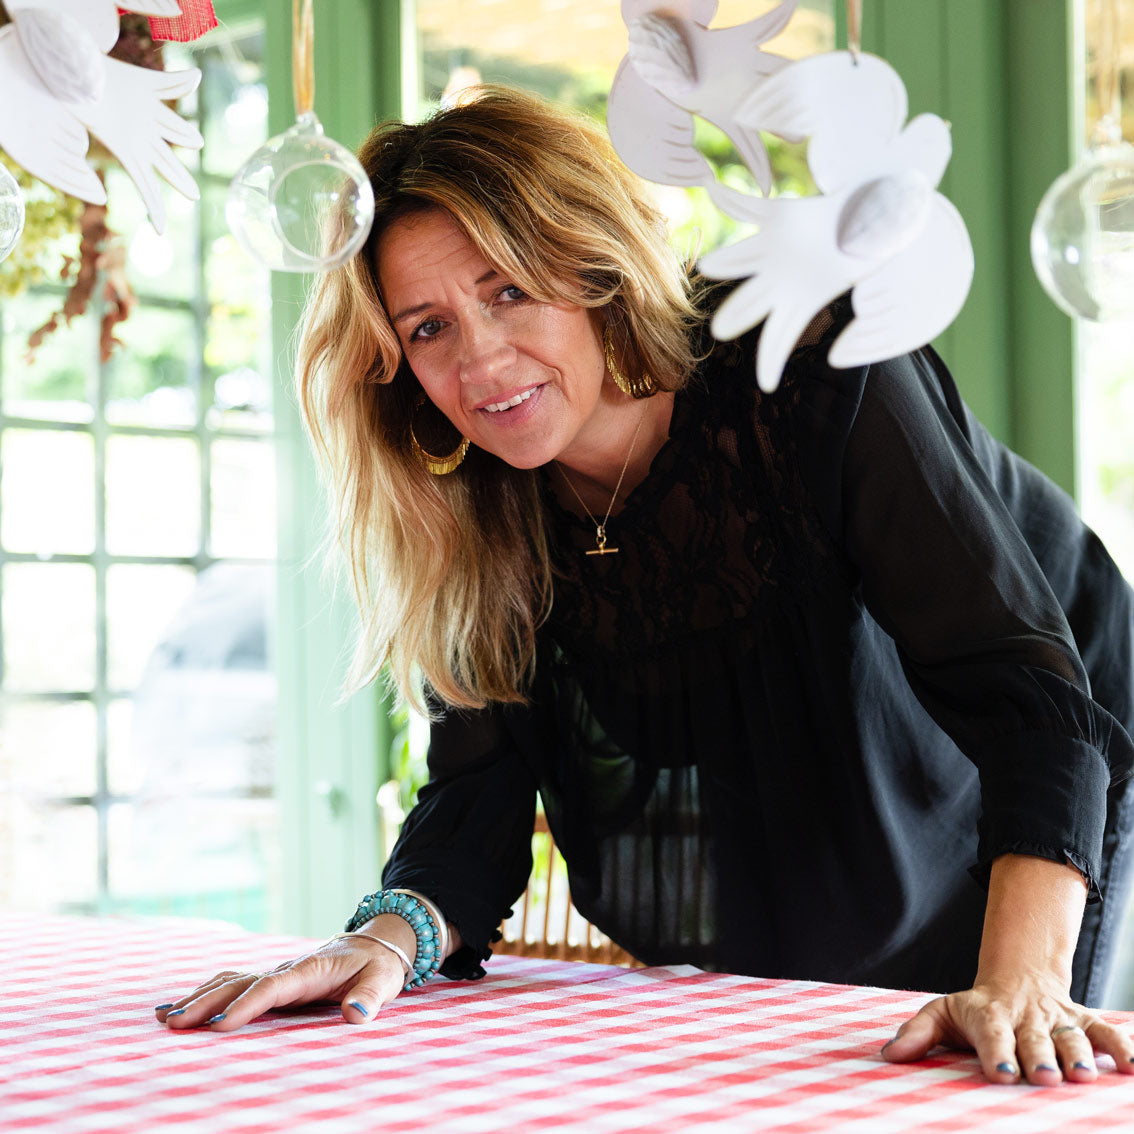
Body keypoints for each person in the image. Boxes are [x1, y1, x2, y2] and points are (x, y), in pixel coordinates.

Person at [156, 86, 1134, 1087]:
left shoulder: (806, 355)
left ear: (595, 270)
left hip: (1044, 779)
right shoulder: (479, 503)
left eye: (507, 291)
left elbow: (1029, 697)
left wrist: (1022, 981)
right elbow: (476, 791)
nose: (482, 362)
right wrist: (389, 936)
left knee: (1016, 1057)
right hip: (798, 886)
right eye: (428, 328)